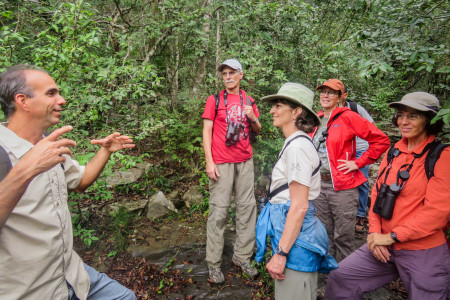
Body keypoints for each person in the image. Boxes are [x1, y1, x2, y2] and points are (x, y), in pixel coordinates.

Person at [0, 65, 136, 300]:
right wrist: (26, 169)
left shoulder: (49, 145)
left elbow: (80, 181)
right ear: (23, 101)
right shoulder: (4, 154)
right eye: (51, 93)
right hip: (30, 290)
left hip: (71, 273)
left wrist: (106, 150)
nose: (62, 100)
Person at [325, 92, 450, 299]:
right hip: (383, 245)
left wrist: (390, 237)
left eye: (413, 116)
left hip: (422, 250)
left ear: (429, 121)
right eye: (401, 115)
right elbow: (377, 194)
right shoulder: (394, 152)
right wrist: (374, 233)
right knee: (342, 277)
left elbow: (437, 213)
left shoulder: (441, 156)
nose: (404, 121)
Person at [255, 82, 337, 300]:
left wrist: (281, 254)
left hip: (297, 240)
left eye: (278, 105)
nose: (272, 111)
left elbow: (299, 205)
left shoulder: (298, 148)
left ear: (296, 112)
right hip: (294, 234)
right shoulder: (294, 143)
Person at [311, 79, 389, 262]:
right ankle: (326, 273)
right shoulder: (316, 118)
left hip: (343, 186)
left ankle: (344, 277)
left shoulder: (348, 116)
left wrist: (358, 162)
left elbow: (381, 140)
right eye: (323, 91)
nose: (326, 95)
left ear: (340, 97)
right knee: (323, 232)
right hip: (318, 185)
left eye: (331, 92)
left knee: (343, 235)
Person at [202, 59, 261, 283]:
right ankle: (214, 264)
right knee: (219, 212)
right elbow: (207, 131)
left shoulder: (249, 100)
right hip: (222, 162)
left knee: (247, 209)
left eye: (232, 73)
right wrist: (209, 162)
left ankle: (242, 256)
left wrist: (252, 117)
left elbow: (258, 128)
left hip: (245, 161)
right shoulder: (214, 100)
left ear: (241, 75)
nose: (227, 77)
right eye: (224, 73)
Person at [341, 85, 375, 233]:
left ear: (344, 95)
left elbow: (371, 126)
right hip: (343, 149)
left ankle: (360, 215)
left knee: (361, 181)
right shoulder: (328, 111)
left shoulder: (355, 108)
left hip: (360, 148)